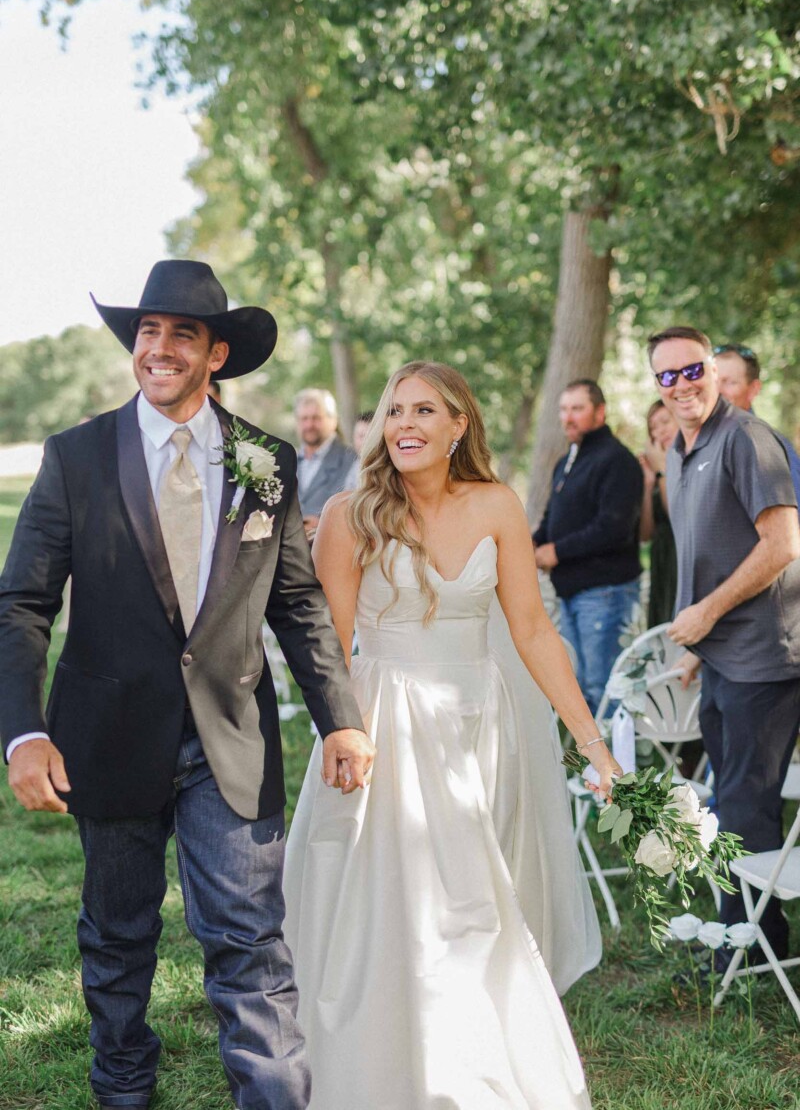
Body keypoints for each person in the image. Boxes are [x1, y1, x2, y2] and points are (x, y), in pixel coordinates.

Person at [0, 260, 374, 1110]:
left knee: (249, 942)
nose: (159, 349)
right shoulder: (76, 456)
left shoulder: (266, 463)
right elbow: (20, 603)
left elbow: (297, 602)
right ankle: (124, 1091)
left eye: (182, 335)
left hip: (229, 741)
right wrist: (24, 733)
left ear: (217, 354)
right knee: (118, 938)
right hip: (106, 734)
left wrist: (340, 719)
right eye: (148, 332)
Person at [283, 361, 620, 1110]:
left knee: (476, 901)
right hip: (383, 724)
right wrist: (341, 730)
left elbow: (531, 631)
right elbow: (328, 644)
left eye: (423, 411)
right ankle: (392, 1063)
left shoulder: (498, 505)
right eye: (394, 410)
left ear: (458, 424)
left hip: (480, 722)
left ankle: (466, 1059)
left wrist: (592, 742)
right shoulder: (349, 512)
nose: (403, 424)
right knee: (398, 899)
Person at [648, 326, 800, 965]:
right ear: (656, 386)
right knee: (730, 802)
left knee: (746, 805)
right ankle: (746, 936)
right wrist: (695, 647)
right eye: (668, 376)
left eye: (693, 370)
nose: (682, 384)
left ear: (713, 370)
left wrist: (706, 614)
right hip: (717, 657)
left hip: (764, 659)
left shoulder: (744, 439)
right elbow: (707, 553)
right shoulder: (681, 450)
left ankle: (755, 949)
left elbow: (783, 544)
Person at [533, 379, 643, 715]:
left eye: (577, 408)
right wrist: (530, 544)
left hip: (605, 593)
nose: (568, 417)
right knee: (580, 686)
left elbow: (614, 529)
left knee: (604, 688)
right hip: (571, 592)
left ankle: (619, 768)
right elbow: (552, 518)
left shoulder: (617, 460)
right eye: (564, 409)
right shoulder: (568, 460)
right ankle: (592, 767)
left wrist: (557, 552)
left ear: (599, 411)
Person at [714, 343, 800, 509]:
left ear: (753, 389)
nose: (718, 391)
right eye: (714, 381)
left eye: (730, 382)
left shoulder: (766, 446)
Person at [294, 388, 357, 540]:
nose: (309, 425)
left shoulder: (353, 460)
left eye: (316, 418)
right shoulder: (289, 461)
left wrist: (323, 523)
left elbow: (360, 510)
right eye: (304, 418)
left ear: (333, 420)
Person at [639, 400, 678, 627]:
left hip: (681, 556)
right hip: (660, 558)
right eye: (653, 426)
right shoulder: (655, 470)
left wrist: (663, 470)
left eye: (665, 422)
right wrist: (647, 483)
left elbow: (676, 516)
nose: (659, 431)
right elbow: (645, 534)